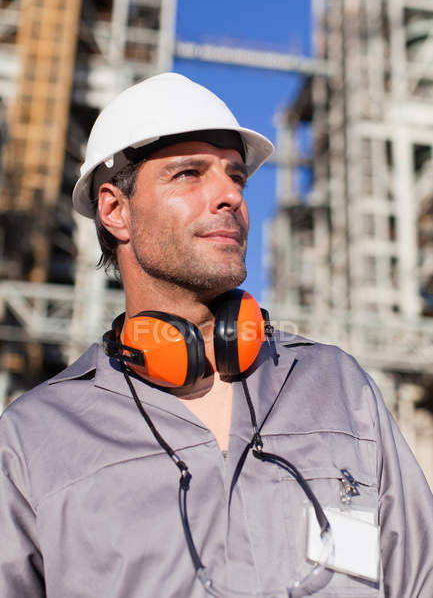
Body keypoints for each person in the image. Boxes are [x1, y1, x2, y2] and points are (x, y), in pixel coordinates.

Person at [0, 73, 432, 598]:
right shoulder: (33, 442)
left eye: (236, 177)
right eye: (188, 174)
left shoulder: (340, 390)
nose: (229, 194)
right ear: (115, 210)